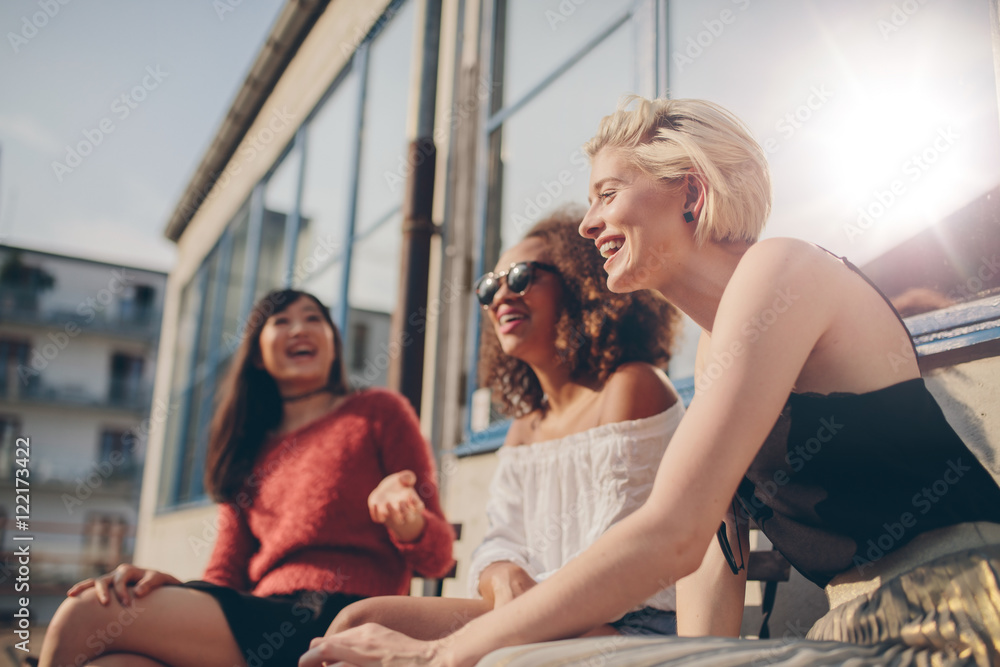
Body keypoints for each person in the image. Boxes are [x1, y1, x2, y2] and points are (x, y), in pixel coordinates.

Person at [300, 97, 1000, 667]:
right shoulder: (720, 357)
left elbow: (669, 534)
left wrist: (440, 655)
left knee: (510, 661)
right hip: (856, 638)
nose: (588, 221)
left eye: (607, 193)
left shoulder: (782, 270)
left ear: (691, 192)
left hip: (958, 622)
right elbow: (703, 575)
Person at [319, 211, 693, 642]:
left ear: (578, 283)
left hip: (628, 626)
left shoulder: (632, 387)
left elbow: (617, 563)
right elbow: (499, 541)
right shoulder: (524, 429)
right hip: (540, 616)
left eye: (520, 277)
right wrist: (503, 574)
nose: (500, 297)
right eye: (489, 287)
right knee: (356, 626)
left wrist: (523, 603)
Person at [38, 289, 455, 667]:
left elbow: (438, 558)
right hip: (262, 617)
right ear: (257, 354)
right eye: (281, 321)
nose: (300, 329)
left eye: (314, 318)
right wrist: (182, 590)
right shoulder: (248, 446)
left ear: (333, 345)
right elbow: (226, 573)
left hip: (349, 616)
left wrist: (409, 521)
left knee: (86, 613)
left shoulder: (378, 412)